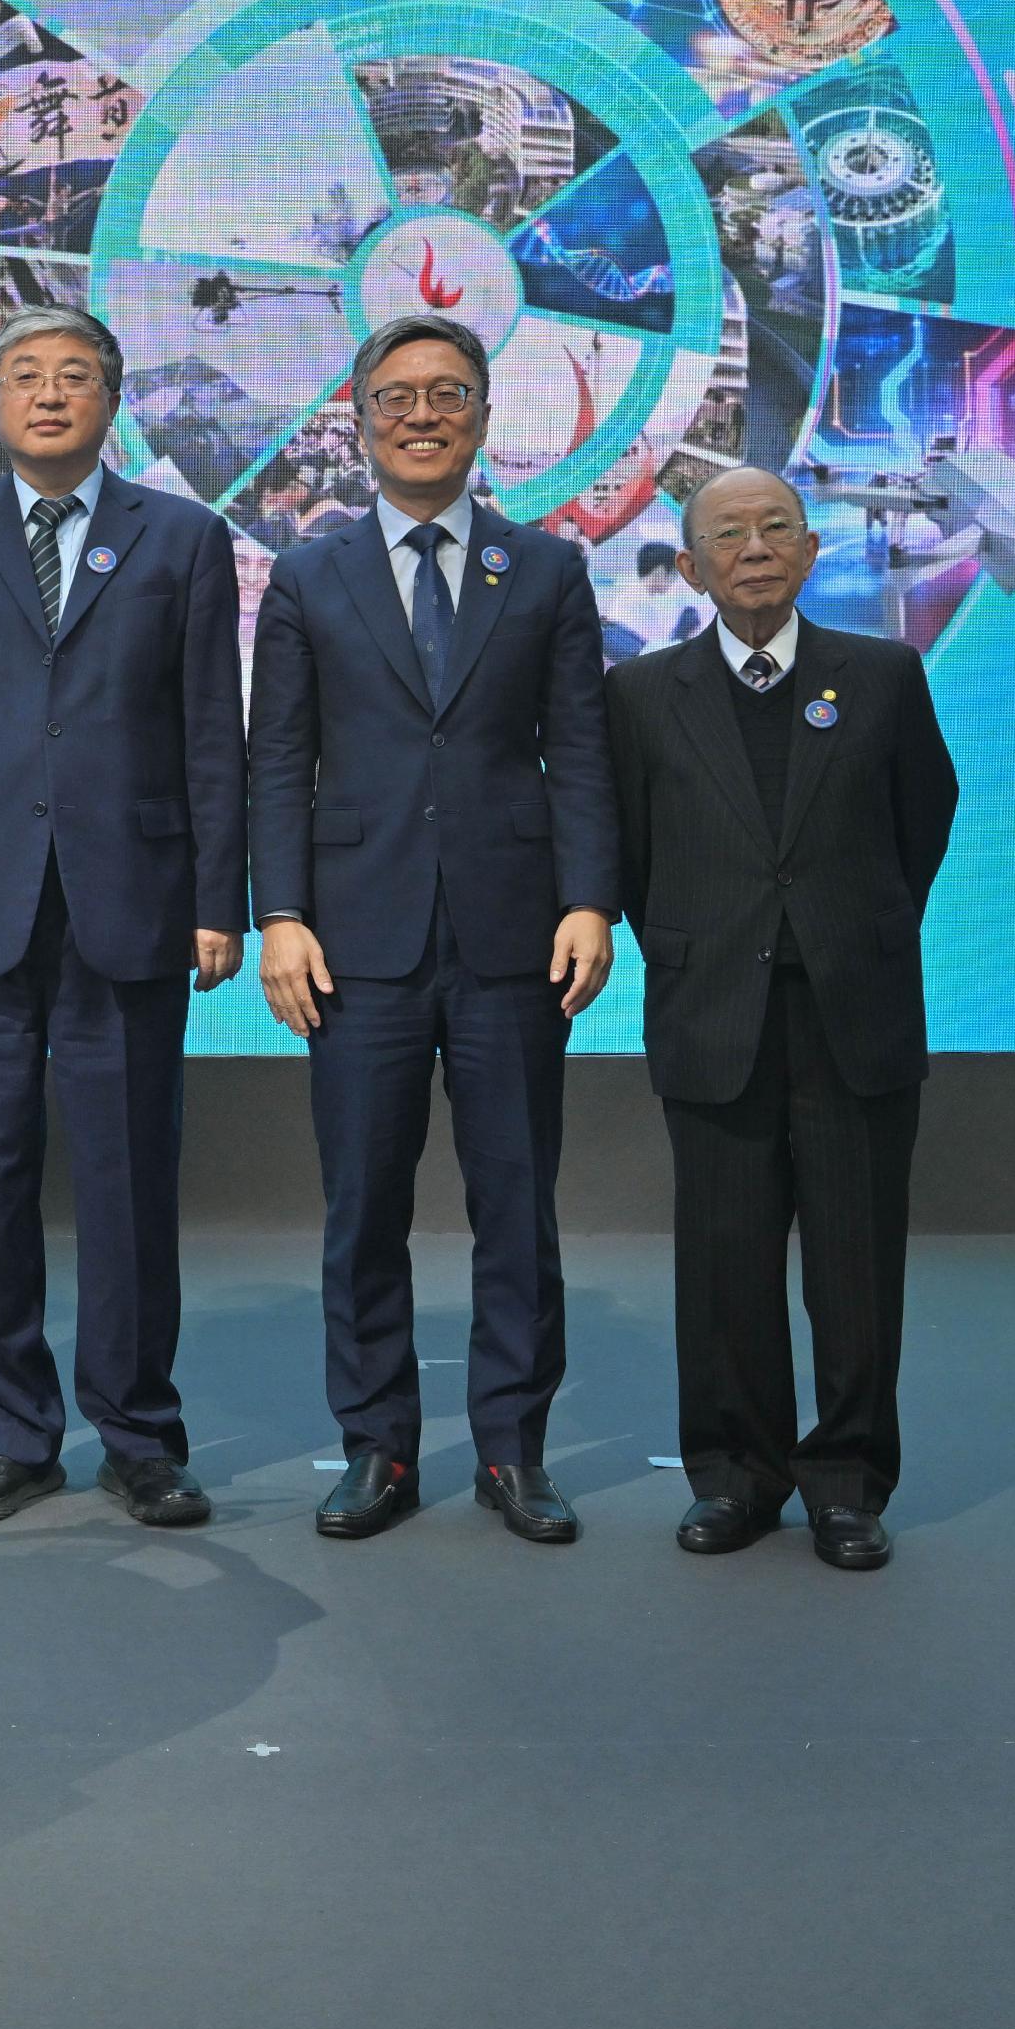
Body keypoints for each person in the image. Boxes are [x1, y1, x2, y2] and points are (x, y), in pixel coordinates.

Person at [0, 302, 247, 1532]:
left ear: (111, 397)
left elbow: (209, 731)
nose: (47, 394)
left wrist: (214, 896)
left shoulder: (181, 536)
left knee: (130, 1175)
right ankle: (14, 1430)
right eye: (23, 374)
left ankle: (140, 1433)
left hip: (130, 899)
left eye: (73, 375)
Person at [250, 317, 620, 1546]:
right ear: (357, 421)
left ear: (480, 416)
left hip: (516, 937)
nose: (422, 413)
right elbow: (277, 761)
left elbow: (579, 755)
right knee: (363, 1206)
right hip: (355, 941)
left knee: (517, 1202)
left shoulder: (550, 571)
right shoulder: (307, 574)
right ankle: (378, 1448)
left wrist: (588, 900)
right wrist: (282, 914)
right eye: (396, 395)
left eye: (447, 394)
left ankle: (514, 1451)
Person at [605, 466, 956, 1573]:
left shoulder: (885, 675)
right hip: (713, 1011)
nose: (753, 548)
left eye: (774, 529)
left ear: (809, 554)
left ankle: (847, 1484)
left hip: (854, 1010)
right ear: (694, 568)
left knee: (855, 1263)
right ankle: (736, 1477)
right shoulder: (641, 693)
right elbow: (632, 853)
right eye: (727, 535)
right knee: (725, 1266)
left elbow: (921, 825)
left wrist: (850, 926)